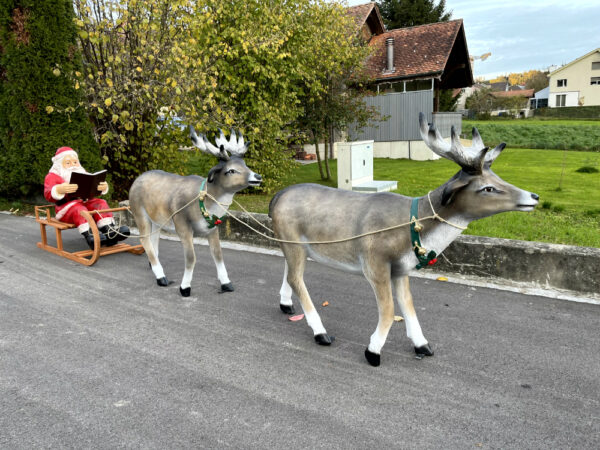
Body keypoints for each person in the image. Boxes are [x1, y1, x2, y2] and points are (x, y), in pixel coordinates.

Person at [43, 146, 129, 249]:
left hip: (85, 203)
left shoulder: (82, 173)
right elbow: (48, 193)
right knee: (79, 209)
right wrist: (59, 189)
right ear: (59, 164)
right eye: (68, 163)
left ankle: (109, 230)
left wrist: (101, 186)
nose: (73, 165)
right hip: (66, 208)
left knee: (100, 203)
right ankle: (90, 235)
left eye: (75, 162)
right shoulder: (53, 176)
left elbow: (92, 189)